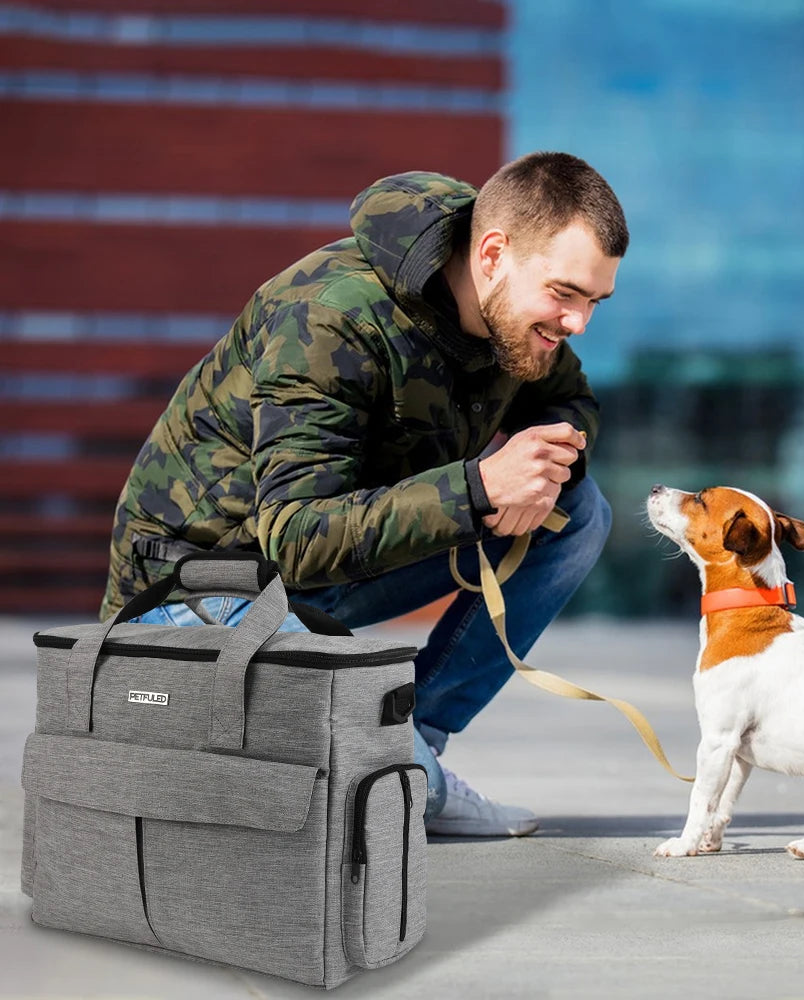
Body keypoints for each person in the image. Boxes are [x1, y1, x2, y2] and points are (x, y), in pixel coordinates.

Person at [100, 151, 628, 837]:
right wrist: (476, 488)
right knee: (381, 781)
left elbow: (571, 401)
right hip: (200, 590)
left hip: (322, 578)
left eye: (595, 301)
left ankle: (417, 741)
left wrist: (546, 460)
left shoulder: (519, 323)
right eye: (565, 293)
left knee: (577, 513)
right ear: (494, 253)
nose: (578, 322)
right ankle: (408, 775)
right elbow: (293, 536)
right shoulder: (329, 318)